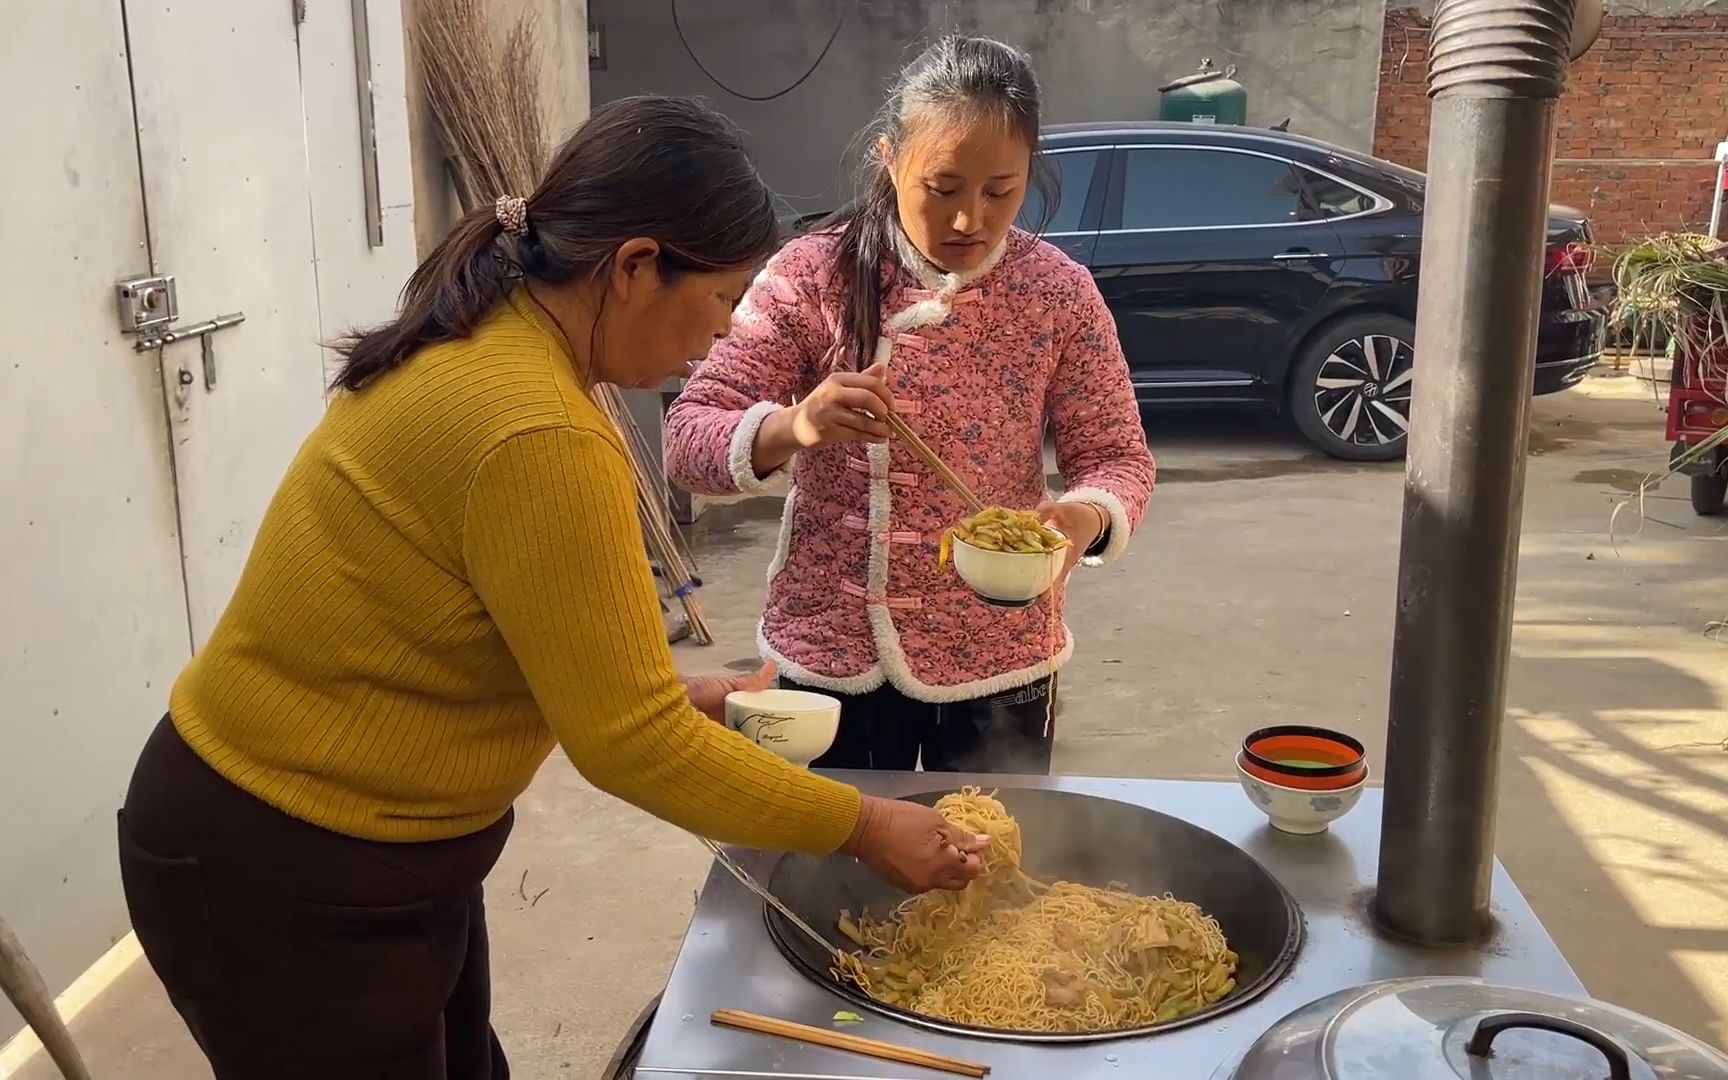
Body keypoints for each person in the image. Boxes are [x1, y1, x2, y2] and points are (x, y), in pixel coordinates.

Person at [115, 96, 987, 1080]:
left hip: (369, 855)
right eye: (719, 298)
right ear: (634, 268)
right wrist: (866, 828)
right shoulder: (539, 429)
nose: (720, 335)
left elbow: (467, 615)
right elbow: (632, 747)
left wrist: (646, 687)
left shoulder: (496, 346)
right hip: (284, 860)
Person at [664, 36, 1155, 776]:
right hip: (829, 656)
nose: (970, 221)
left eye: (1000, 191)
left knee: (991, 867)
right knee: (831, 872)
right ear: (890, 159)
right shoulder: (811, 275)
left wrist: (1084, 517)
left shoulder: (1057, 293)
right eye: (943, 187)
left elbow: (1118, 456)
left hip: (1001, 654)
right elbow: (687, 438)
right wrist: (794, 426)